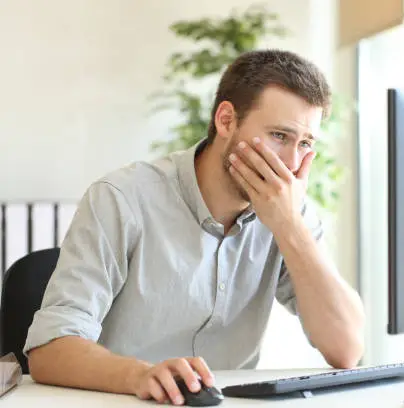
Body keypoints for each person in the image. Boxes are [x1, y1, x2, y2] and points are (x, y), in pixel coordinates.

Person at [23, 49, 365, 406]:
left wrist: (290, 228)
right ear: (226, 119)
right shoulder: (123, 198)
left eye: (305, 144)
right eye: (280, 136)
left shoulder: (290, 211)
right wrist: (140, 375)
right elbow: (49, 350)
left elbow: (346, 349)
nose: (292, 164)